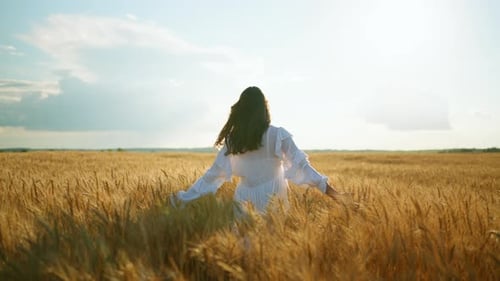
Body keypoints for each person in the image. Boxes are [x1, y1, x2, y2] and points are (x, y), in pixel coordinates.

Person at [171, 86, 341, 213]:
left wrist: (184, 198)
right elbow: (304, 168)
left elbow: (213, 175)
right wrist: (337, 196)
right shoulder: (278, 135)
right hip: (274, 198)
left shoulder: (233, 139)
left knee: (244, 247)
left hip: (244, 200)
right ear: (264, 108)